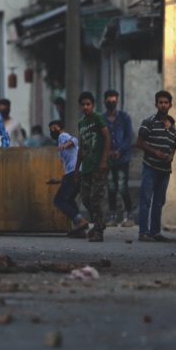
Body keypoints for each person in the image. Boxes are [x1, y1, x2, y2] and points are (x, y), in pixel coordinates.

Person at [136, 90, 176, 242]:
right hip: (150, 167)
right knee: (146, 199)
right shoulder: (149, 122)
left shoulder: (172, 126)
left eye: (166, 102)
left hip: (165, 170)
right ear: (156, 104)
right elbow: (139, 142)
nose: (163, 105)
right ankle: (143, 232)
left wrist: (171, 156)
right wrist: (156, 152)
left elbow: (175, 145)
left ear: (170, 105)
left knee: (159, 202)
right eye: (160, 102)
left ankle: (155, 232)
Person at [74, 91, 111, 242]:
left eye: (88, 104)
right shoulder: (81, 123)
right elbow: (81, 147)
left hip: (98, 165)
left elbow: (107, 137)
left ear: (93, 105)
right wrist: (77, 168)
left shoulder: (98, 118)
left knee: (96, 198)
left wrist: (104, 160)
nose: (85, 107)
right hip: (87, 165)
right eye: (83, 105)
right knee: (85, 198)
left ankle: (98, 232)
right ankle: (98, 225)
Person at [46, 120, 90, 238]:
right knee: (69, 199)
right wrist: (57, 181)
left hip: (74, 172)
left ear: (62, 129)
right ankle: (79, 229)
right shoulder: (60, 143)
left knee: (59, 200)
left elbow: (75, 140)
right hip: (76, 172)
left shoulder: (62, 136)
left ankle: (80, 221)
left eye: (54, 128)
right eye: (50, 130)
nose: (52, 131)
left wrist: (66, 144)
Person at [102, 89, 135, 227]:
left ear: (118, 102)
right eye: (109, 101)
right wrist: (107, 152)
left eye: (114, 101)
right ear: (104, 102)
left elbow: (129, 137)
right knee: (111, 187)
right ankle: (113, 218)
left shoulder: (124, 117)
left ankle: (129, 216)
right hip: (108, 159)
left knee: (122, 187)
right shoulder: (102, 119)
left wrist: (119, 150)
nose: (111, 104)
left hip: (122, 159)